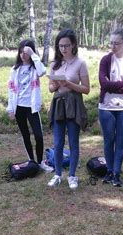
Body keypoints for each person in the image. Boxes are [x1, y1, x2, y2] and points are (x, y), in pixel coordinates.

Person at [47, 29, 90, 190]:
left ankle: (72, 175)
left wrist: (69, 84)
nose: (63, 49)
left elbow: (86, 89)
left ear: (73, 45)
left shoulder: (80, 63)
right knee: (58, 143)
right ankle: (57, 174)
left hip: (74, 104)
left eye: (66, 45)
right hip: (58, 105)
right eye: (60, 46)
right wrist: (56, 85)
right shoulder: (54, 64)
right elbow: (50, 88)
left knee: (73, 142)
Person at [98, 28, 123, 187]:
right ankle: (109, 170)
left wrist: (114, 86)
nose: (113, 46)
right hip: (106, 107)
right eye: (111, 43)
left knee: (120, 142)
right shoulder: (106, 60)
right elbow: (104, 83)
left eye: (117, 43)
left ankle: (116, 173)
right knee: (109, 141)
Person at [7, 39, 49, 170]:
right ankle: (32, 161)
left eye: (25, 52)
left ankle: (40, 161)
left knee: (38, 136)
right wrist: (10, 108)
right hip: (18, 106)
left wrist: (33, 54)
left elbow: (43, 71)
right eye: (21, 52)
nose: (22, 55)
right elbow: (10, 89)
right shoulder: (14, 69)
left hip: (32, 107)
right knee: (25, 135)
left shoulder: (35, 68)